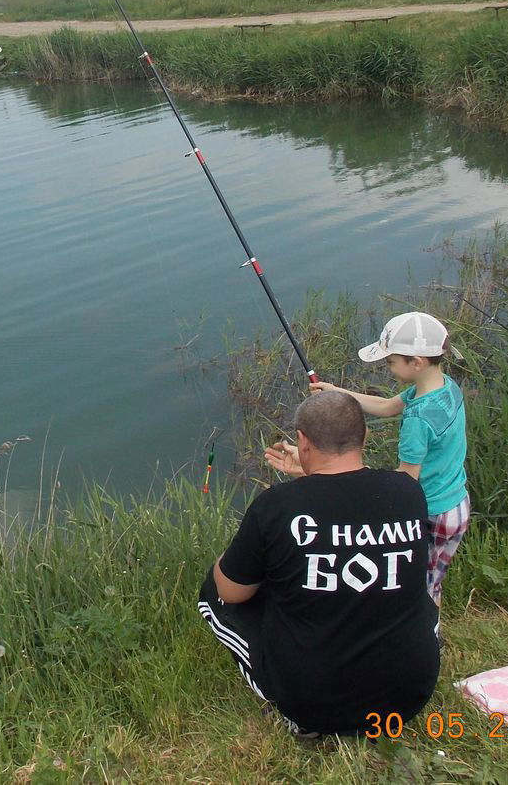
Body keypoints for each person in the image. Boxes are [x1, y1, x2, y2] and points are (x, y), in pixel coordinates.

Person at [198, 391, 440, 738]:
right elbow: (347, 509)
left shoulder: (276, 505)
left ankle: (295, 715)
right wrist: (310, 478)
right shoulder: (407, 492)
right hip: (409, 695)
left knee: (215, 591)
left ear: (302, 441)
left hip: (312, 704)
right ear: (365, 436)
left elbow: (232, 592)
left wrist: (230, 559)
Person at [313, 311, 469, 608]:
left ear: (416, 362)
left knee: (422, 584)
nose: (388, 368)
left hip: (434, 513)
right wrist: (338, 393)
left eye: (391, 361)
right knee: (432, 577)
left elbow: (406, 481)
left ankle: (428, 637)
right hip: (455, 502)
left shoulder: (417, 420)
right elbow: (386, 406)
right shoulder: (445, 387)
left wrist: (359, 485)